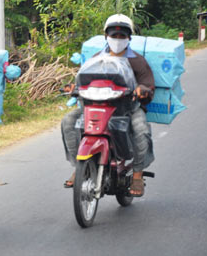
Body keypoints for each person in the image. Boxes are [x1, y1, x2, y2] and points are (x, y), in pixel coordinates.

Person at [61, 13, 155, 197]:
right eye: (114, 35)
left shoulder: (137, 61)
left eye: (122, 36)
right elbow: (83, 80)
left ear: (129, 38)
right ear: (106, 36)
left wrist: (142, 89)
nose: (117, 39)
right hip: (95, 105)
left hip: (126, 108)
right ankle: (78, 167)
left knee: (141, 129)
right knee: (68, 122)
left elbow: (149, 85)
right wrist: (74, 87)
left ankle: (137, 174)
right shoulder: (96, 58)